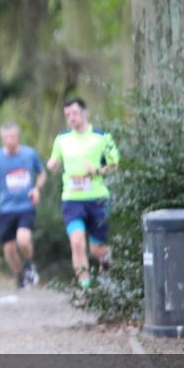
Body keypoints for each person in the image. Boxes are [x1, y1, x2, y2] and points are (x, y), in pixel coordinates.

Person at [45, 98, 120, 290]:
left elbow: (115, 165)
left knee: (97, 249)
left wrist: (96, 170)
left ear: (85, 113)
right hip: (72, 199)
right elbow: (54, 161)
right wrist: (52, 165)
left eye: (75, 113)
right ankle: (85, 287)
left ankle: (107, 270)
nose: (72, 118)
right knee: (77, 242)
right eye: (68, 115)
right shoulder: (62, 139)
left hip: (97, 198)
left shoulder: (102, 137)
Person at [0, 122, 47, 289]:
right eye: (6, 137)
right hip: (5, 209)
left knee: (23, 239)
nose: (9, 140)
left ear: (18, 137)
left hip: (25, 207)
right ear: (1, 139)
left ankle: (29, 264)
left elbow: (41, 173)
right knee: (9, 250)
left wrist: (37, 189)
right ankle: (20, 278)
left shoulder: (29, 154)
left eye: (12, 137)